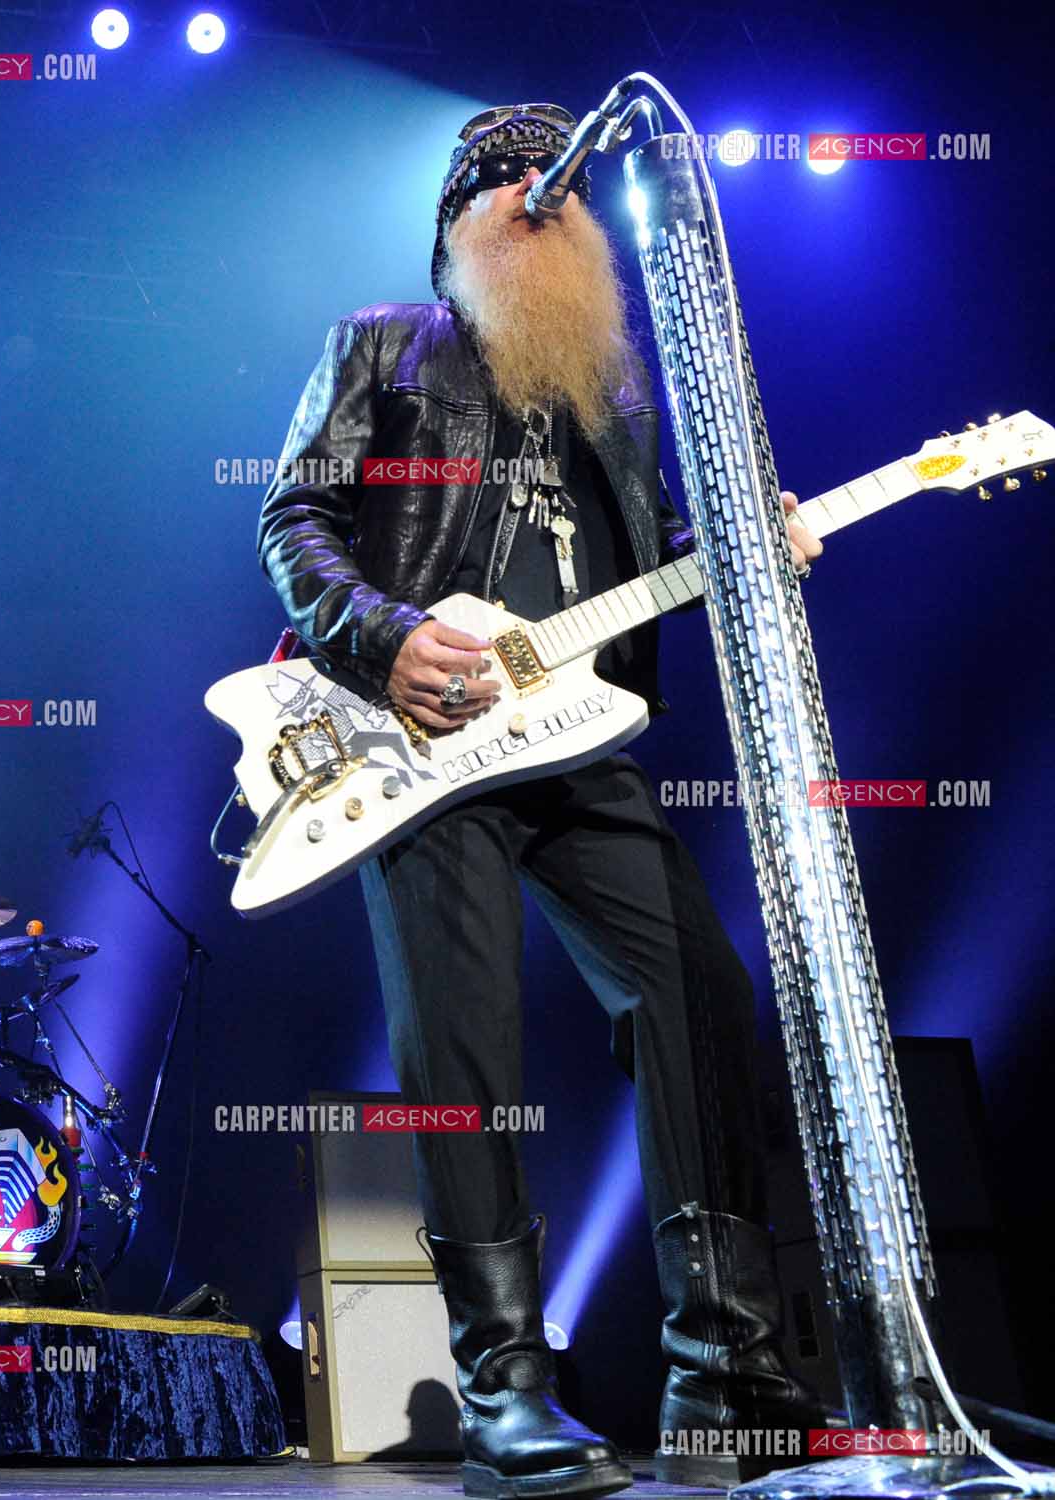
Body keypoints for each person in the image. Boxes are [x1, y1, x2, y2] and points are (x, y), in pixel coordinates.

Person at [258, 104, 825, 1497]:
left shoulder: (614, 389)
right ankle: (507, 1387)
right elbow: (292, 515)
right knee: (464, 1044)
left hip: (583, 738)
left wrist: (757, 536)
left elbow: (653, 540)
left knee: (695, 993)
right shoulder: (388, 339)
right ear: (455, 218)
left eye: (557, 182)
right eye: (505, 180)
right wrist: (385, 639)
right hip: (418, 739)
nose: (538, 194)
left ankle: (724, 1373)